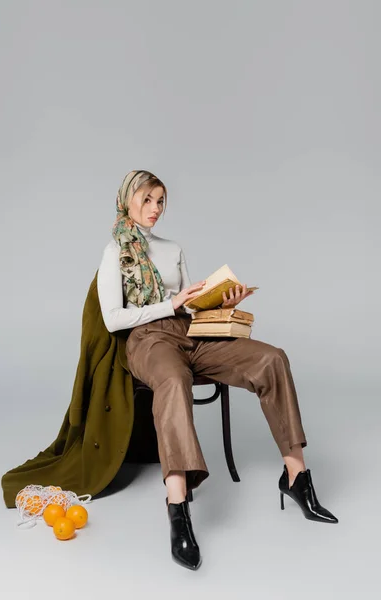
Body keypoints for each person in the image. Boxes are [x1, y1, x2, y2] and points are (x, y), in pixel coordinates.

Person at [97, 169, 339, 571]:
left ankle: (297, 478)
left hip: (190, 332)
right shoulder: (113, 252)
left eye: (161, 201)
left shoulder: (173, 248)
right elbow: (112, 318)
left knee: (271, 357)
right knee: (173, 381)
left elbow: (192, 307)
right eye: (147, 200)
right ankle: (178, 507)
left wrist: (222, 303)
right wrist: (171, 306)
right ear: (127, 201)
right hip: (147, 340)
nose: (155, 209)